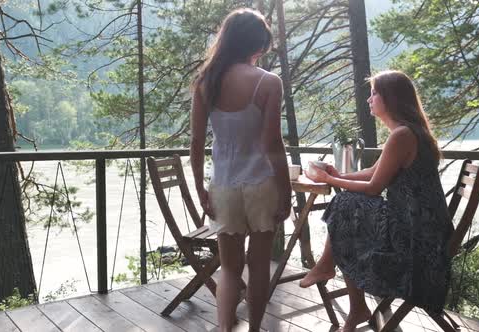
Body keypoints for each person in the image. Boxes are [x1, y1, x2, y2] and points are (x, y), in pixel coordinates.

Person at [302, 70, 453, 331]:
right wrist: (337, 175)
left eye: (374, 93)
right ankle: (340, 284)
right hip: (421, 229)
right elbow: (374, 172)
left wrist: (331, 181)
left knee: (346, 207)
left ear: (390, 99)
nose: (369, 99)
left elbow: (373, 187)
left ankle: (337, 280)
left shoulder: (402, 135)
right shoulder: (407, 132)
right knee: (347, 207)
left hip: (418, 240)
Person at [189, 8, 292, 332]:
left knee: (230, 270)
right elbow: (273, 144)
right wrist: (286, 192)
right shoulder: (267, 82)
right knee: (258, 266)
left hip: (224, 185)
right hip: (262, 183)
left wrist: (199, 188)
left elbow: (195, 142)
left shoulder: (206, 82)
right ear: (256, 44)